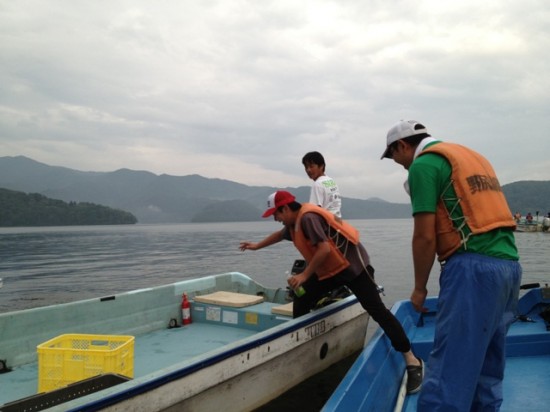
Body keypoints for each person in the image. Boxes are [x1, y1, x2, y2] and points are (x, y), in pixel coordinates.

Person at [381, 120, 522, 411]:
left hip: (473, 271)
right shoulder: (471, 157)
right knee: (488, 367)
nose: (402, 166)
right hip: (509, 268)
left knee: (449, 370)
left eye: (395, 158)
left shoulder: (424, 165)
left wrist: (419, 288)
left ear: (402, 145)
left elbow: (424, 236)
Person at [239, 190, 423, 394]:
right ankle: (300, 348)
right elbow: (279, 236)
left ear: (285, 208)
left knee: (377, 311)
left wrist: (304, 275)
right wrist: (256, 246)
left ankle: (411, 359)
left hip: (354, 269)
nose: (276, 219)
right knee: (302, 299)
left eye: (276, 214)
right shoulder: (292, 224)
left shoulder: (308, 218)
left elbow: (324, 249)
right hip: (330, 271)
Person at [302, 151, 342, 217]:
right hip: (337, 222)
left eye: (311, 166)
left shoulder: (317, 184)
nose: (308, 170)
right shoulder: (332, 181)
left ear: (321, 166)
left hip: (326, 224)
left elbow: (314, 210)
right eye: (306, 167)